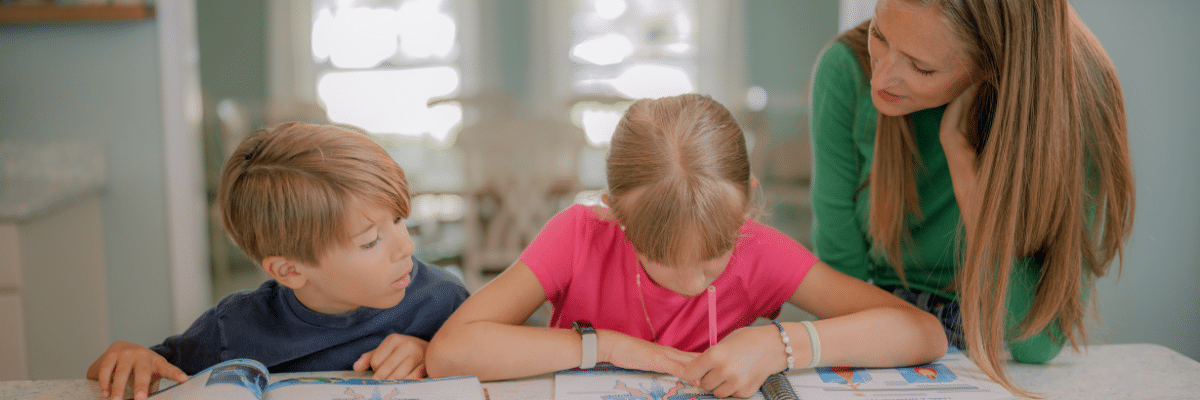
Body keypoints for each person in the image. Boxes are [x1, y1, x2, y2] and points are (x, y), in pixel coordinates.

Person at [426, 94, 947, 398]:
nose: (696, 281)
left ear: (747, 206)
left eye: (714, 253)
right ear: (616, 215)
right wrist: (607, 347)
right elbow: (452, 353)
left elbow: (922, 333)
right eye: (664, 257)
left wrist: (779, 345)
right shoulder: (580, 234)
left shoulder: (758, 249)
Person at [808, 0, 1134, 395]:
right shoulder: (845, 68)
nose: (881, 78)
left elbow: (1036, 344)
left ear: (991, 63)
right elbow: (842, 274)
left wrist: (962, 156)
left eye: (922, 68)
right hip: (884, 320)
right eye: (880, 34)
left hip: (997, 336)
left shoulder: (1081, 94)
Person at [86, 122, 470, 400]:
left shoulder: (443, 300)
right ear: (288, 270)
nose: (406, 248)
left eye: (400, 219)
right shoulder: (233, 329)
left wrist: (433, 355)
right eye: (370, 241)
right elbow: (134, 372)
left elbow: (490, 370)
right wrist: (127, 355)